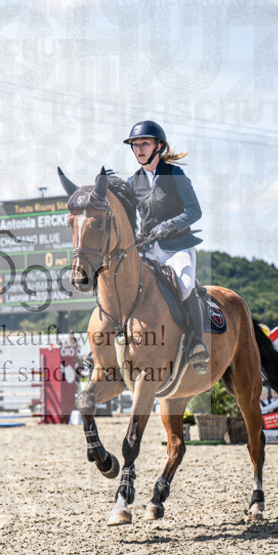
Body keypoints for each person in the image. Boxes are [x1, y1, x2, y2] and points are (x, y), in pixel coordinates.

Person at [113, 120, 209, 374]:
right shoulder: (133, 182)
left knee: (186, 284)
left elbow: (194, 211)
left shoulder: (175, 175)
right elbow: (129, 222)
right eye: (135, 145)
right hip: (147, 249)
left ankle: (197, 344)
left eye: (145, 143)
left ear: (158, 146)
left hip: (176, 247)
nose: (139, 149)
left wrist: (171, 225)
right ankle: (105, 347)